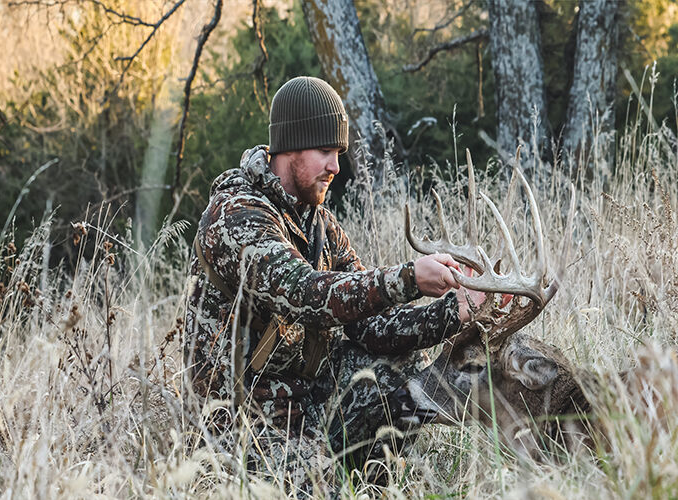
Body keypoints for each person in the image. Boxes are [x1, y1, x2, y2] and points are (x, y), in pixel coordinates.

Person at [182, 76, 478, 495]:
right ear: (288, 147)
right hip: (240, 419)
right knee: (322, 488)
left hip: (305, 402)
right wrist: (410, 278)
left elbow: (371, 325)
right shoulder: (235, 217)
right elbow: (308, 295)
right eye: (325, 152)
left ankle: (378, 482)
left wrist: (458, 310)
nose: (336, 167)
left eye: (338, 153)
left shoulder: (318, 222)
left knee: (407, 365)